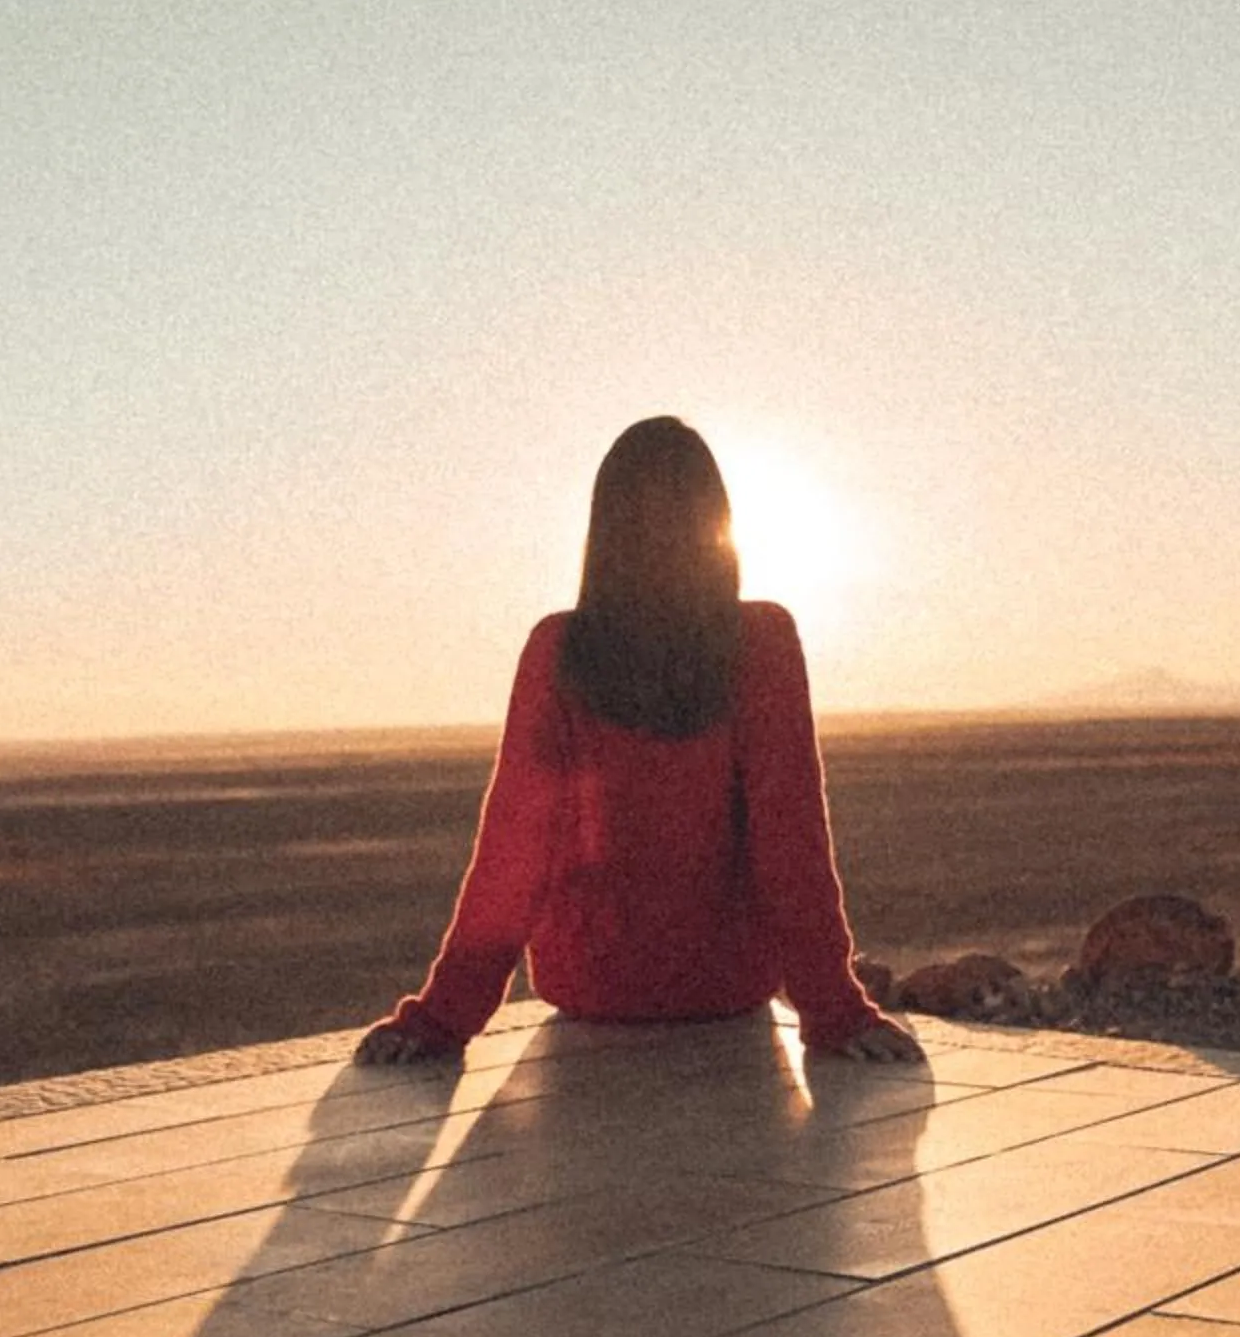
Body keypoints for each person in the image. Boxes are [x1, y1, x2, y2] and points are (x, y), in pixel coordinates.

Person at [355, 415, 921, 1068]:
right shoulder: (762, 641)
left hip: (592, 986)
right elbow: (789, 841)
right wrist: (833, 1012)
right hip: (725, 985)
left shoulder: (559, 648)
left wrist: (443, 1019)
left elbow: (515, 857)